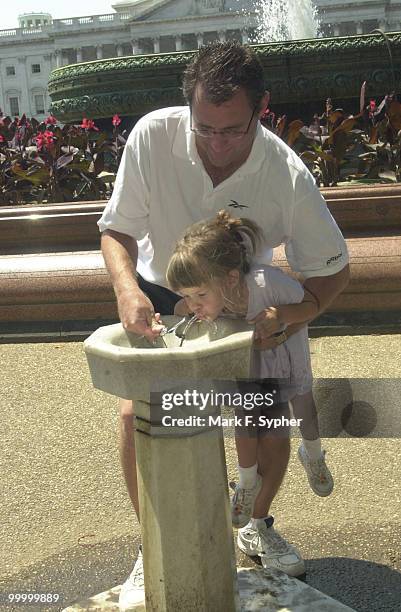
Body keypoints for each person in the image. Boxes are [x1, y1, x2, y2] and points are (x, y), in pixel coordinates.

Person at [98, 41, 350, 609]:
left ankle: (255, 523)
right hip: (164, 286)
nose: (216, 145)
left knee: (266, 413)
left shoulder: (286, 171)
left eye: (232, 130)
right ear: (187, 108)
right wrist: (126, 289)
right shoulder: (152, 136)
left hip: (242, 299)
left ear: (262, 109)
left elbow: (332, 270)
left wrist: (294, 316)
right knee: (140, 408)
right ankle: (156, 539)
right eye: (204, 128)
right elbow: (116, 230)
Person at [167, 209, 333, 536]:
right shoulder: (210, 298)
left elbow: (311, 306)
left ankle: (312, 452)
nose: (195, 303)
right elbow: (178, 315)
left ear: (230, 278)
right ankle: (246, 481)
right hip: (249, 370)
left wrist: (280, 314)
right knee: (245, 420)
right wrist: (186, 308)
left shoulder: (266, 283)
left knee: (304, 409)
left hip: (287, 361)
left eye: (200, 295)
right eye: (188, 296)